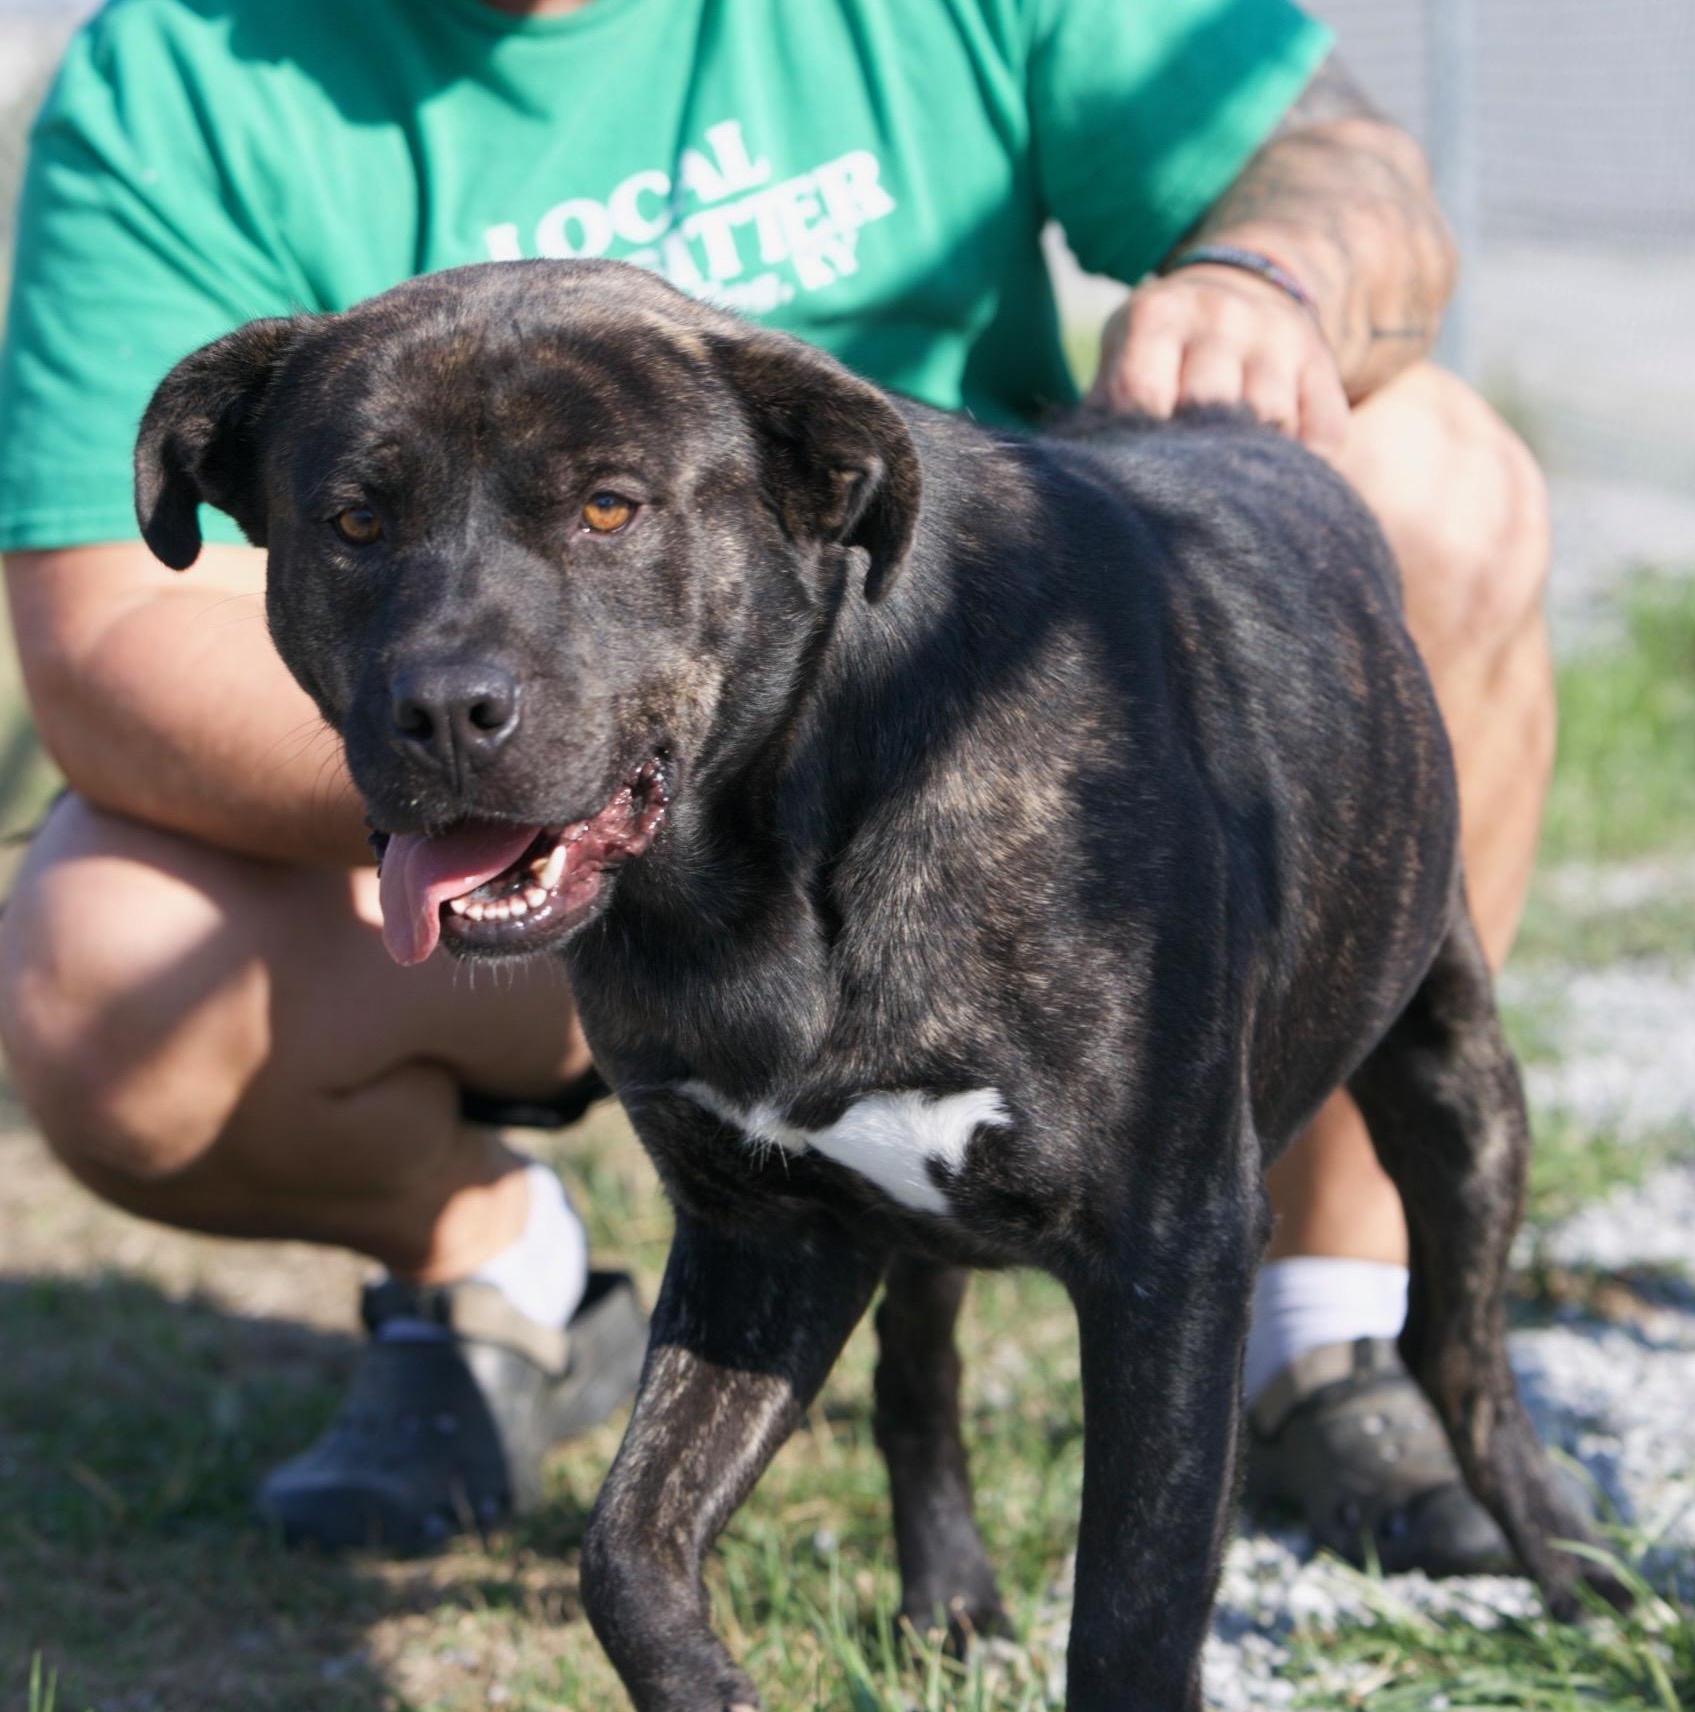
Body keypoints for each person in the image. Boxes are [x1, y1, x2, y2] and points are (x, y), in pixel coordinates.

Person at [0, 0, 1551, 1574]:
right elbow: (105, 636)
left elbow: (1341, 158)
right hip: (544, 858)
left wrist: (1265, 272)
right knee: (100, 958)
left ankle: (1327, 1314)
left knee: (1430, 467)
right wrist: (543, 778)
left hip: (1004, 799)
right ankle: (493, 1273)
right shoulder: (196, 63)